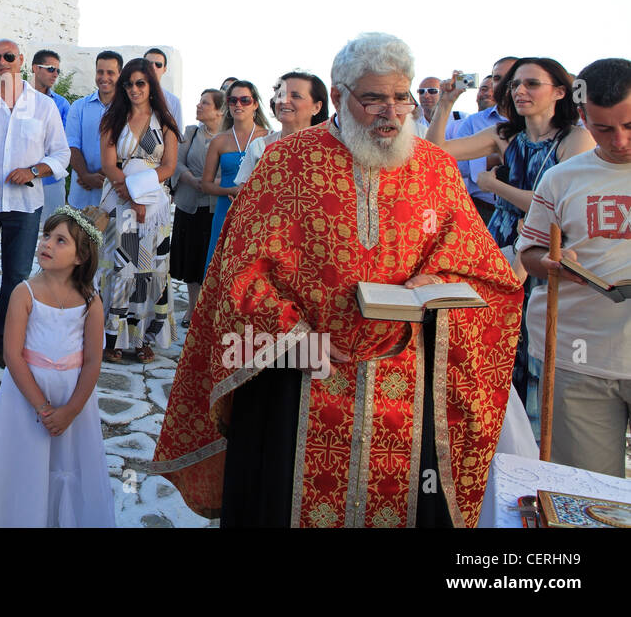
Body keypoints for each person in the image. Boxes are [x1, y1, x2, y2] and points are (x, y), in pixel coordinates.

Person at [150, 32, 523, 527]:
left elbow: (479, 265)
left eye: (400, 96)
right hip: (295, 377)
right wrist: (306, 344)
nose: (390, 111)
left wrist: (435, 281)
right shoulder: (287, 162)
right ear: (341, 94)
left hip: (406, 377)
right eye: (373, 98)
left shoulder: (436, 169)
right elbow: (240, 273)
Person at [428, 57, 594, 406]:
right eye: (515, 84)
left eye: (532, 84)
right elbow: (435, 152)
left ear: (560, 92)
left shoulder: (576, 138)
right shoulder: (504, 135)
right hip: (501, 241)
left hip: (547, 250)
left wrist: (492, 184)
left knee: (539, 346)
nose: (520, 90)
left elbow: (555, 204)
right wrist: (445, 104)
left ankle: (540, 441)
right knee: (499, 339)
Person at [517, 57, 631, 477]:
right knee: (585, 493)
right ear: (583, 118)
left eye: (630, 126)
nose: (619, 141)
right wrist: (550, 263)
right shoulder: (562, 178)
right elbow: (529, 253)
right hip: (576, 359)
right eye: (603, 129)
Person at [0, 206, 114, 527]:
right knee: (27, 461)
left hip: (73, 396)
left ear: (81, 257)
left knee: (67, 463)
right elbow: (12, 355)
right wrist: (43, 408)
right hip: (28, 397)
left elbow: (94, 359)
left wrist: (70, 410)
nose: (47, 244)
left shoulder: (90, 301)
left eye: (60, 241)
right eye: (46, 237)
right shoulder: (24, 293)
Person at [0, 39, 70, 367]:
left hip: (25, 205)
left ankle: (2, 341)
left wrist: (34, 170)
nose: (3, 62)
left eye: (9, 56)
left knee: (17, 278)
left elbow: (61, 154)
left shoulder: (44, 107)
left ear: (20, 60)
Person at [98, 57, 180, 363]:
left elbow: (169, 166)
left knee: (151, 272)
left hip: (155, 206)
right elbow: (109, 164)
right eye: (128, 83)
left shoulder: (166, 123)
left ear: (151, 85)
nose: (134, 89)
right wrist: (131, 196)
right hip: (120, 201)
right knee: (121, 269)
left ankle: (144, 337)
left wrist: (142, 192)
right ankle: (113, 336)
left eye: (140, 83)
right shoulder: (112, 119)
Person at [199, 80, 270, 276]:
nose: (238, 105)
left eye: (245, 100)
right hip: (225, 210)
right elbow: (205, 184)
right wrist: (230, 190)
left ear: (255, 104)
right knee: (221, 269)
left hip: (258, 213)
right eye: (233, 100)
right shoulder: (219, 141)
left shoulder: (269, 137)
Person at [171, 89, 225, 329]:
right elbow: (176, 162)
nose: (199, 105)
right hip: (190, 203)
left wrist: (213, 184)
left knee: (210, 259)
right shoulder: (191, 133)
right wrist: (191, 179)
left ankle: (210, 310)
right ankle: (192, 309)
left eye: (205, 103)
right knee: (191, 260)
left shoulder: (229, 138)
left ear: (219, 110)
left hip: (215, 206)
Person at [446, 56, 517, 224]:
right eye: (497, 79)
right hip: (482, 210)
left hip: (526, 214)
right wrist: (445, 103)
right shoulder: (474, 122)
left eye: (511, 78)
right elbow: (445, 157)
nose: (492, 91)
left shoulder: (535, 124)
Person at [233, 71, 327, 186]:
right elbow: (244, 194)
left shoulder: (329, 149)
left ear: (316, 107)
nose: (284, 101)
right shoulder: (260, 148)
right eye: (280, 95)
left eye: (296, 96)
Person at [65, 51, 122, 210]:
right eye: (100, 72)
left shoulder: (127, 110)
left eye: (110, 72)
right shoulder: (78, 107)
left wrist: (103, 175)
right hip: (81, 196)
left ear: (120, 74)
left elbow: (126, 149)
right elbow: (71, 144)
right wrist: (85, 175)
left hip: (114, 197)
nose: (104, 77)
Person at [30, 49, 72, 216]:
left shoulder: (61, 104)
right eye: (50, 69)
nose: (55, 74)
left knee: (52, 231)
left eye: (58, 70)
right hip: (23, 180)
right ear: (35, 68)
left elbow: (63, 144)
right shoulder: (19, 101)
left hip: (51, 179)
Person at [145, 48, 184, 131]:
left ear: (164, 69)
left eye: (158, 64)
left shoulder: (173, 101)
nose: (153, 67)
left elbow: (178, 134)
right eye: (149, 64)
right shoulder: (130, 95)